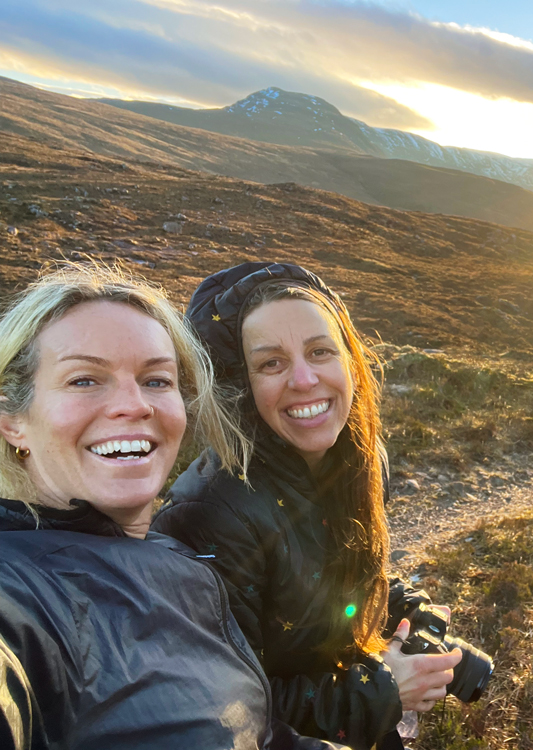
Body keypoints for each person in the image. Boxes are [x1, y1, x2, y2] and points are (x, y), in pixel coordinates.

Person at [0, 264, 343, 750]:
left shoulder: (181, 564)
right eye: (84, 380)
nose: (134, 404)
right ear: (12, 420)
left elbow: (259, 735)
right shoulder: (19, 592)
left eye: (157, 380)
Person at [151, 263, 461, 750]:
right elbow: (221, 705)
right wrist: (382, 691)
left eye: (320, 351)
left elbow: (340, 580)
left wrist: (411, 614)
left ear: (350, 360)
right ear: (239, 386)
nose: (304, 378)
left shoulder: (360, 458)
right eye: (271, 363)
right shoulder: (210, 516)